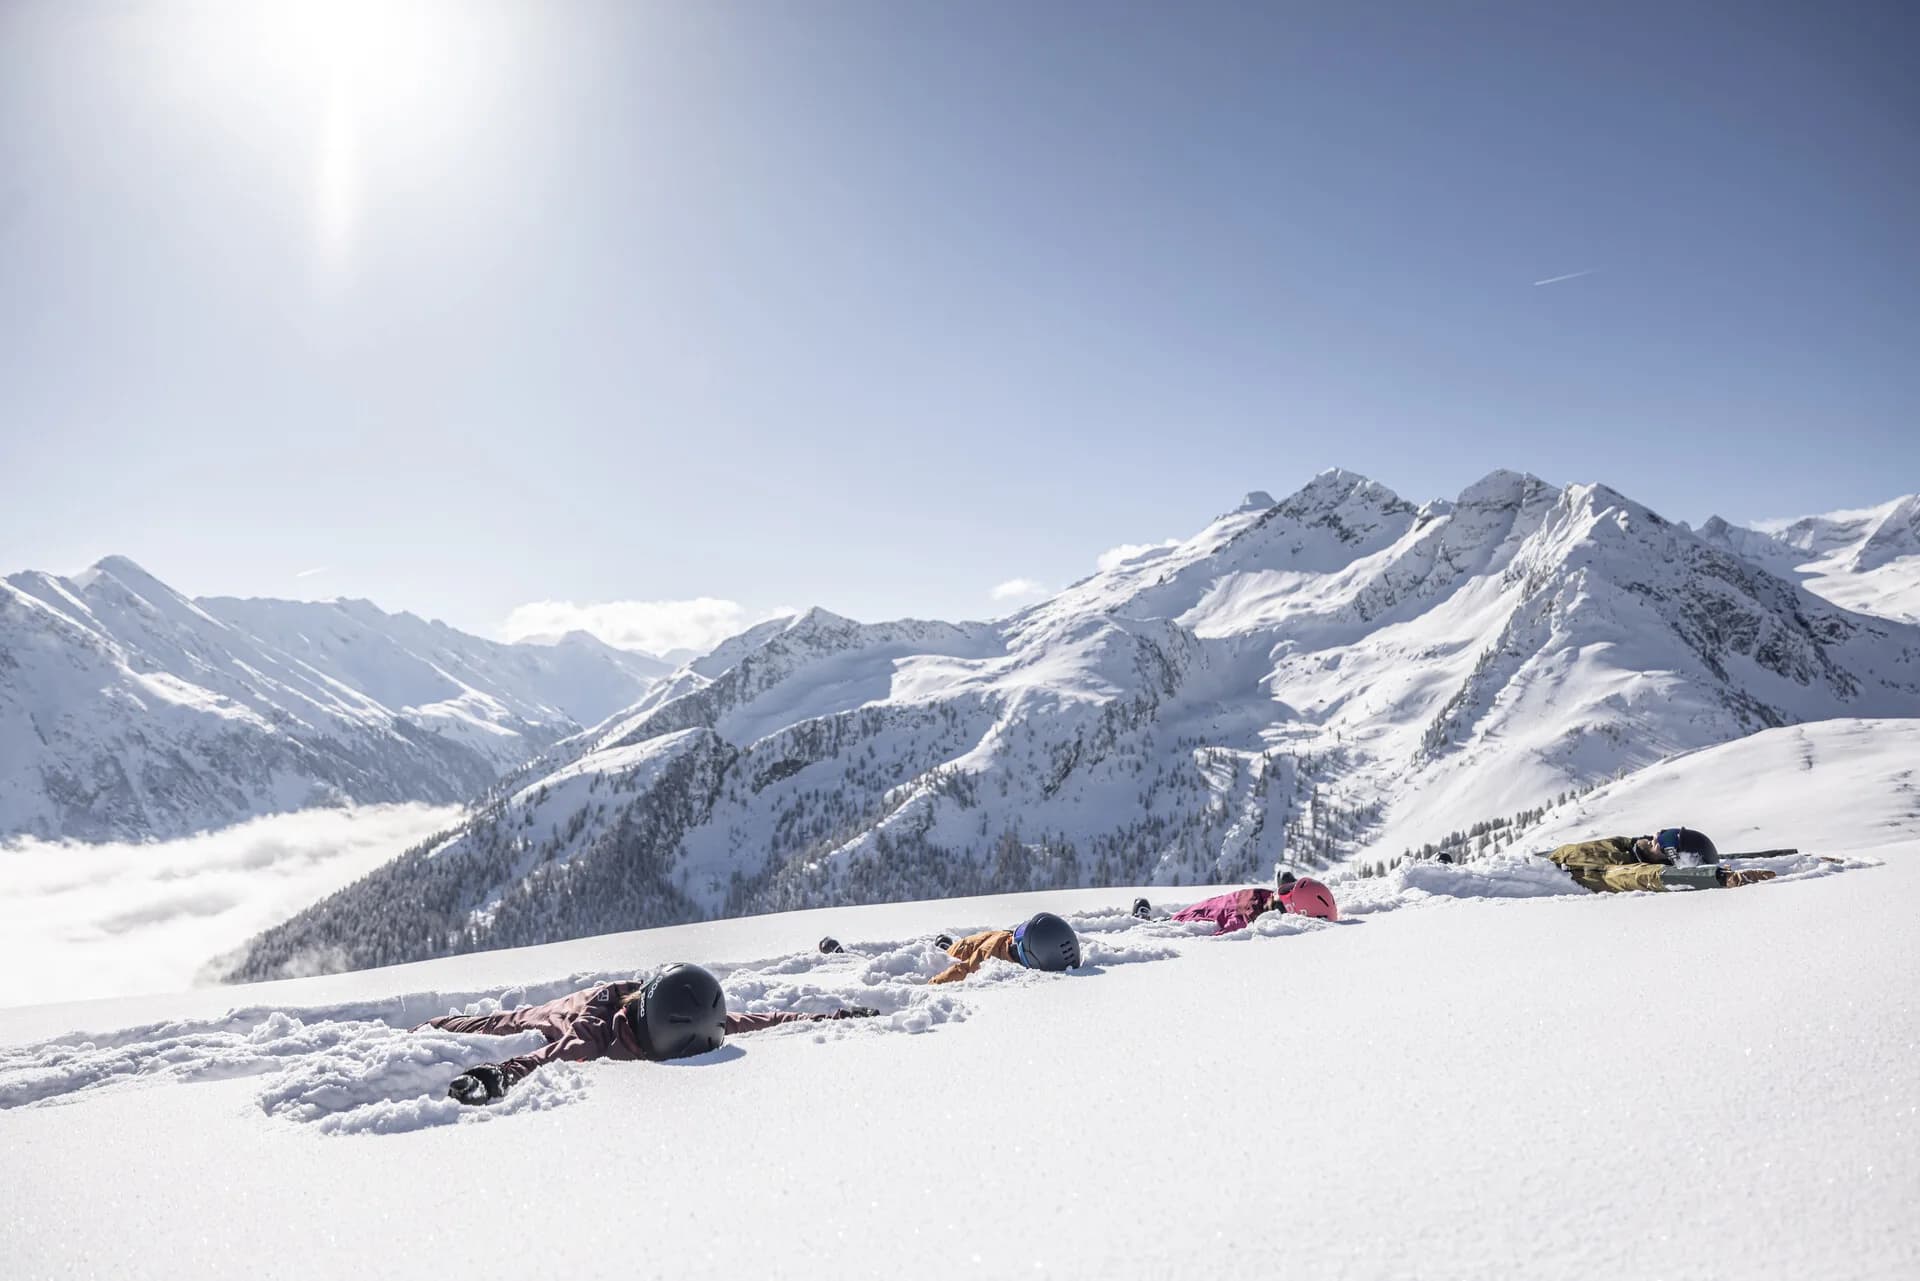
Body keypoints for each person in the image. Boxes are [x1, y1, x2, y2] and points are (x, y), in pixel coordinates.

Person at [422, 963, 879, 1104]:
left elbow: (760, 1020)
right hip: (571, 1010)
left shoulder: (694, 1017)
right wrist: (493, 1076)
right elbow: (547, 1058)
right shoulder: (593, 1034)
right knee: (507, 1021)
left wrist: (831, 1019)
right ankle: (430, 1024)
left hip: (619, 1000)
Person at [1543, 826, 1777, 893]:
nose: (1657, 836)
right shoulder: (1628, 845)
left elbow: (1644, 877)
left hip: (1525, 879)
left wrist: (1717, 878)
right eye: (1664, 832)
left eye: (1666, 842)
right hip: (1529, 861)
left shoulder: (1622, 870)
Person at [929, 911, 1082, 984]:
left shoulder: (989, 956)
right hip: (977, 942)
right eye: (1022, 928)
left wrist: (935, 983)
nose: (1016, 935)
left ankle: (946, 948)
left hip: (975, 944)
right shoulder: (998, 951)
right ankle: (945, 950)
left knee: (960, 948)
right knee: (957, 949)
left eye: (1021, 934)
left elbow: (963, 970)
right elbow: (964, 969)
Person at [1170, 871, 1341, 934]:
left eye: (1286, 891)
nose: (1278, 893)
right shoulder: (1247, 919)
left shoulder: (1261, 902)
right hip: (1181, 919)